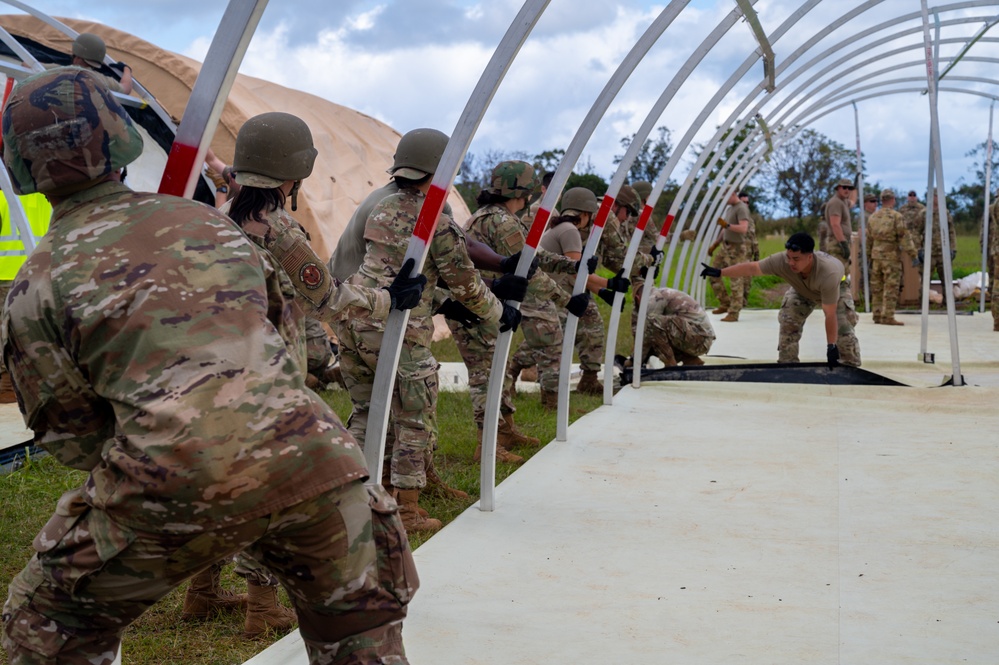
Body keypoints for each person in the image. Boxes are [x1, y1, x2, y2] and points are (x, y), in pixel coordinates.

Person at [0, 66, 414, 665]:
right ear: (122, 139)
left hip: (172, 480)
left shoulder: (34, 286)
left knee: (44, 620)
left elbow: (75, 438)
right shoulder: (208, 227)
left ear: (20, 164)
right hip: (323, 464)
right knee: (361, 647)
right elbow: (283, 349)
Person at [342, 129, 524, 534]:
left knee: (368, 412)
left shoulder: (383, 207)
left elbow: (405, 274)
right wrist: (500, 314)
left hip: (356, 321)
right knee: (414, 419)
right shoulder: (434, 221)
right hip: (398, 330)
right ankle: (406, 511)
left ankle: (354, 497)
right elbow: (467, 284)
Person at [700, 231, 861, 368]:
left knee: (843, 326)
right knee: (788, 319)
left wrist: (831, 347)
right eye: (789, 257)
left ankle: (849, 364)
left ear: (810, 257)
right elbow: (753, 268)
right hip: (802, 290)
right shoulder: (783, 261)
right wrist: (720, 272)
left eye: (796, 259)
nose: (790, 262)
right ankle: (788, 363)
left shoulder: (828, 272)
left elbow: (829, 314)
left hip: (836, 289)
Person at [535, 186, 629, 404]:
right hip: (549, 293)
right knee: (547, 340)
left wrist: (604, 291)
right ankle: (519, 378)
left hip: (558, 289)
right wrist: (609, 283)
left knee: (590, 322)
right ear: (585, 213)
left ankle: (588, 378)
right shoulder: (570, 231)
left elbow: (577, 274)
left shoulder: (564, 228)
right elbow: (577, 271)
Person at [865, 189, 919, 325]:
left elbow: (868, 239)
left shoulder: (873, 217)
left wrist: (868, 256)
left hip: (876, 256)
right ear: (893, 200)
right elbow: (904, 237)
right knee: (891, 287)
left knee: (877, 287)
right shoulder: (896, 216)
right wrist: (913, 254)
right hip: (891, 257)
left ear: (882, 200)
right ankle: (887, 315)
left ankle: (877, 314)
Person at [638, 286, 715, 367]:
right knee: (661, 335)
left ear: (638, 298)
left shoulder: (654, 298)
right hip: (701, 339)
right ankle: (691, 360)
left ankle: (671, 365)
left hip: (699, 339)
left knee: (653, 323)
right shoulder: (662, 293)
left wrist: (634, 360)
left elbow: (648, 329)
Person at [705, 190, 751, 322]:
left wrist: (727, 225)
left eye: (725, 196)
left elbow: (743, 228)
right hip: (726, 247)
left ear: (732, 194)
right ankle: (725, 303)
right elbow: (725, 229)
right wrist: (715, 244)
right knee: (713, 273)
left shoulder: (741, 208)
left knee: (736, 280)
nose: (723, 200)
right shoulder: (730, 209)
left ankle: (734, 312)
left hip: (736, 248)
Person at [915, 191, 957, 284]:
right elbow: (917, 232)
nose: (938, 198)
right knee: (925, 280)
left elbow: (951, 232)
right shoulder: (924, 213)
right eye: (936, 196)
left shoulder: (945, 213)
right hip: (928, 252)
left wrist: (953, 249)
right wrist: (919, 250)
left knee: (946, 279)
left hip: (943, 252)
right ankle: (924, 298)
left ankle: (947, 298)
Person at [822, 178, 856, 271]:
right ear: (838, 188)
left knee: (843, 271)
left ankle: (842, 285)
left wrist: (855, 187)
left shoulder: (843, 201)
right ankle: (840, 286)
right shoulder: (836, 202)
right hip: (837, 242)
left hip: (841, 241)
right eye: (844, 187)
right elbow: (835, 224)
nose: (847, 190)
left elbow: (852, 202)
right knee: (838, 272)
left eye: (850, 188)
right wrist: (843, 244)